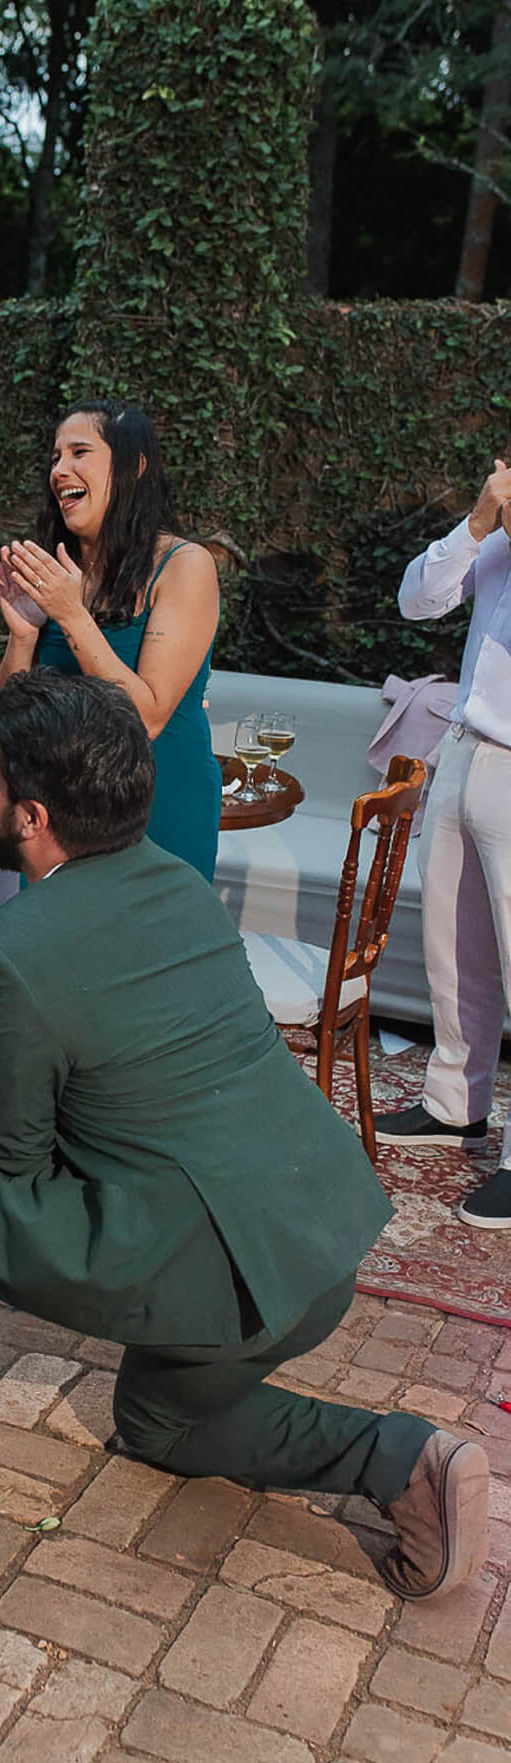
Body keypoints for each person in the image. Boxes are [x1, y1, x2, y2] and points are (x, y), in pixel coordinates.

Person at [0, 670, 489, 1601]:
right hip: (313, 1251)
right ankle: (406, 1462)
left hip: (210, 1267)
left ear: (33, 816)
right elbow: (115, 1016)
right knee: (159, 1423)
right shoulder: (177, 883)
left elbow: (12, 1165)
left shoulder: (16, 945)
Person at [0, 398, 223, 880]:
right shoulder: (60, 574)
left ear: (134, 467)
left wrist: (71, 615)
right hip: (61, 820)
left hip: (160, 813)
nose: (59, 470)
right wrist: (23, 635)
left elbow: (147, 718)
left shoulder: (184, 566)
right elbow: (5, 723)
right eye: (56, 457)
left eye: (79, 452)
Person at [374, 457, 511, 1230]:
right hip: (463, 748)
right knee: (453, 950)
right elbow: (417, 600)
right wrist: (478, 523)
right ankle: (456, 1105)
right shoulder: (496, 532)